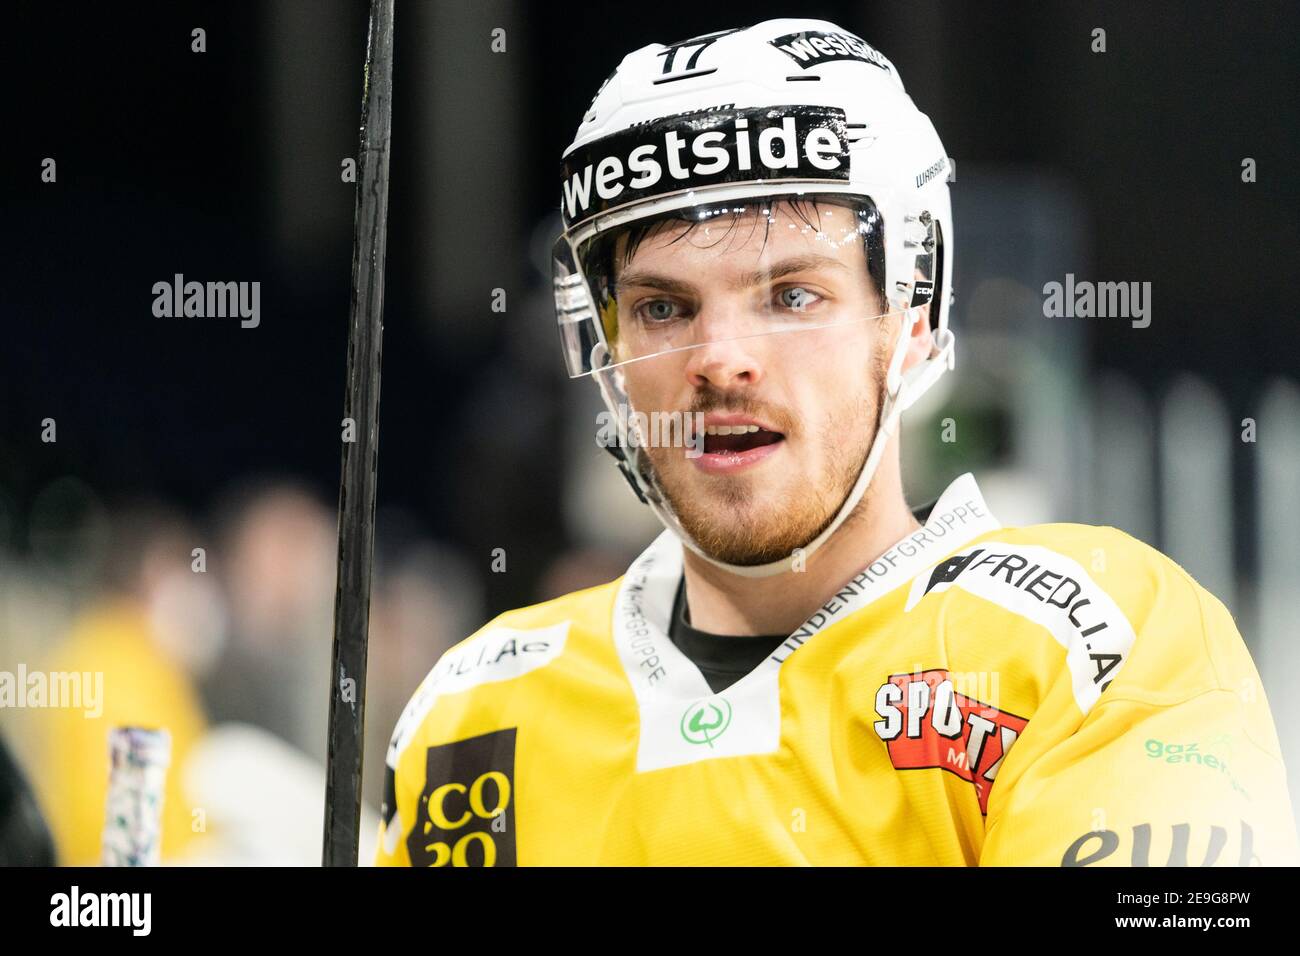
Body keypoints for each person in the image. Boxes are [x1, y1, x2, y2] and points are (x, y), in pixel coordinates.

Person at [376, 18, 1299, 866]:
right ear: (605, 349)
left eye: (791, 296)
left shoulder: (1099, 643)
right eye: (663, 307)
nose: (722, 361)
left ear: (911, 315)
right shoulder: (473, 716)